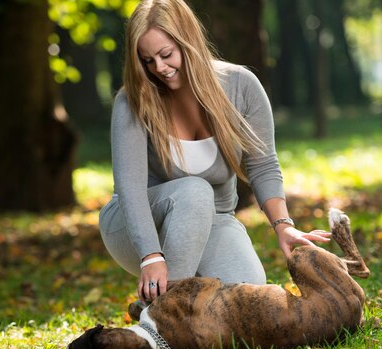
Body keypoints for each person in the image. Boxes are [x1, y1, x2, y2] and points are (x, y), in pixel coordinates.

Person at [99, 0, 331, 302]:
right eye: (147, 60)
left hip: (212, 222)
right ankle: (160, 316)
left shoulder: (240, 86)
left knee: (250, 295)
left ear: (189, 41)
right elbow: (129, 189)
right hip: (135, 227)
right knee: (196, 191)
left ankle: (163, 306)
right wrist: (151, 255)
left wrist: (283, 225)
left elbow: (263, 165)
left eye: (166, 54)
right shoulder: (132, 100)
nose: (159, 68)